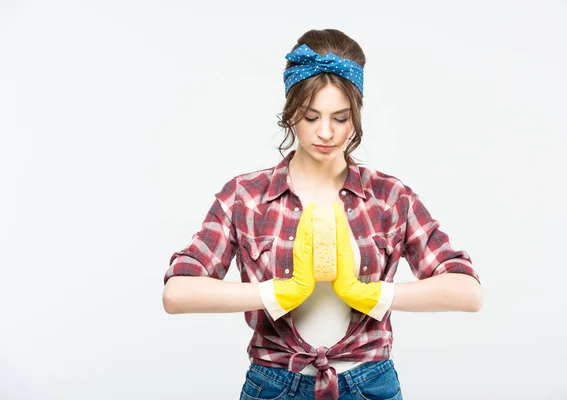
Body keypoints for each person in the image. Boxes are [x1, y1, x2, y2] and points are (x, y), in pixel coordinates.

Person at [162, 28, 482, 400]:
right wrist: (275, 293)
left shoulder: (389, 197)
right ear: (290, 113)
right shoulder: (245, 197)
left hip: (369, 384)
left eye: (341, 118)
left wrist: (371, 294)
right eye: (310, 116)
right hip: (275, 384)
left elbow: (467, 291)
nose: (326, 132)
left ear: (357, 116)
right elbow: (177, 293)